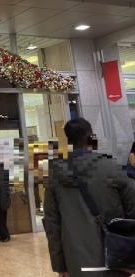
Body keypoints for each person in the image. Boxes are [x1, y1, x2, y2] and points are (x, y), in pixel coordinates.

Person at [44, 118, 135, 277]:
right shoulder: (110, 167)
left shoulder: (56, 174)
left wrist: (59, 265)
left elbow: (52, 223)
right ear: (92, 138)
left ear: (69, 141)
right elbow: (132, 208)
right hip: (116, 258)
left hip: (77, 261)